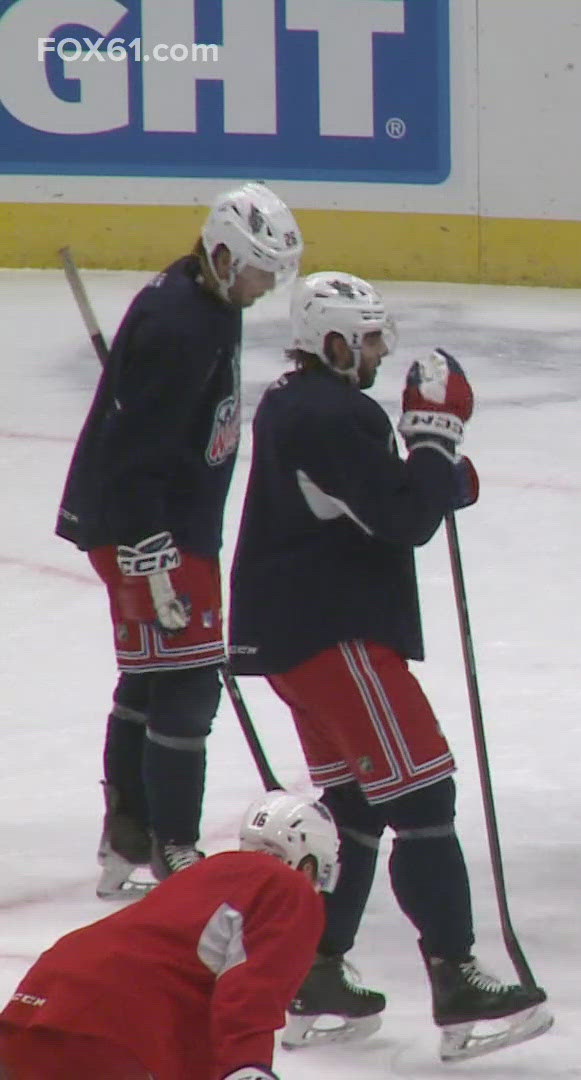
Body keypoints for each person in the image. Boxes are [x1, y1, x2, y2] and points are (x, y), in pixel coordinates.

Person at [226, 273, 549, 1061]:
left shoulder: (294, 401)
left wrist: (431, 477)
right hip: (337, 636)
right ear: (333, 342)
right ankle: (458, 981)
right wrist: (435, 442)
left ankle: (315, 971)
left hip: (292, 636)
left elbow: (373, 501)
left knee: (359, 806)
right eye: (369, 340)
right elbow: (402, 519)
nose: (379, 353)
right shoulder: (338, 413)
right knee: (423, 793)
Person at [54, 182, 303, 898]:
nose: (263, 287)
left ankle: (126, 834)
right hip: (150, 531)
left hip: (160, 520)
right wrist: (149, 545)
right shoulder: (179, 322)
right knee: (188, 683)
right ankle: (173, 845)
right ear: (223, 255)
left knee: (151, 677)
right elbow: (136, 450)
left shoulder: (207, 301)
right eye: (259, 270)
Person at [0, 792, 335, 1080]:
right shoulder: (290, 889)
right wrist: (248, 1066)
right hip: (112, 1024)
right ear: (308, 862)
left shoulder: (206, 874)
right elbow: (250, 994)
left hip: (35, 1001)